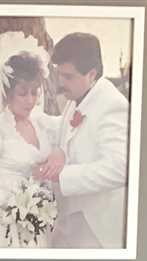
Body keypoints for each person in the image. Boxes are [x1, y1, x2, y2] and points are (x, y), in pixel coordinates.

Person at [0, 35, 62, 249]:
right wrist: (5, 213)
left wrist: (58, 152)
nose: (30, 100)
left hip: (39, 225)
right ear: (6, 93)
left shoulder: (43, 124)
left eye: (34, 92)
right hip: (6, 231)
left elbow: (70, 132)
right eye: (22, 93)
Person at [30, 31, 130, 249]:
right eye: (60, 75)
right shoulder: (78, 96)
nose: (62, 83)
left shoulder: (113, 106)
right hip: (71, 220)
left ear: (91, 74)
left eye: (68, 76)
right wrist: (27, 116)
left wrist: (61, 175)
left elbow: (121, 169)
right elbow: (66, 129)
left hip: (96, 226)